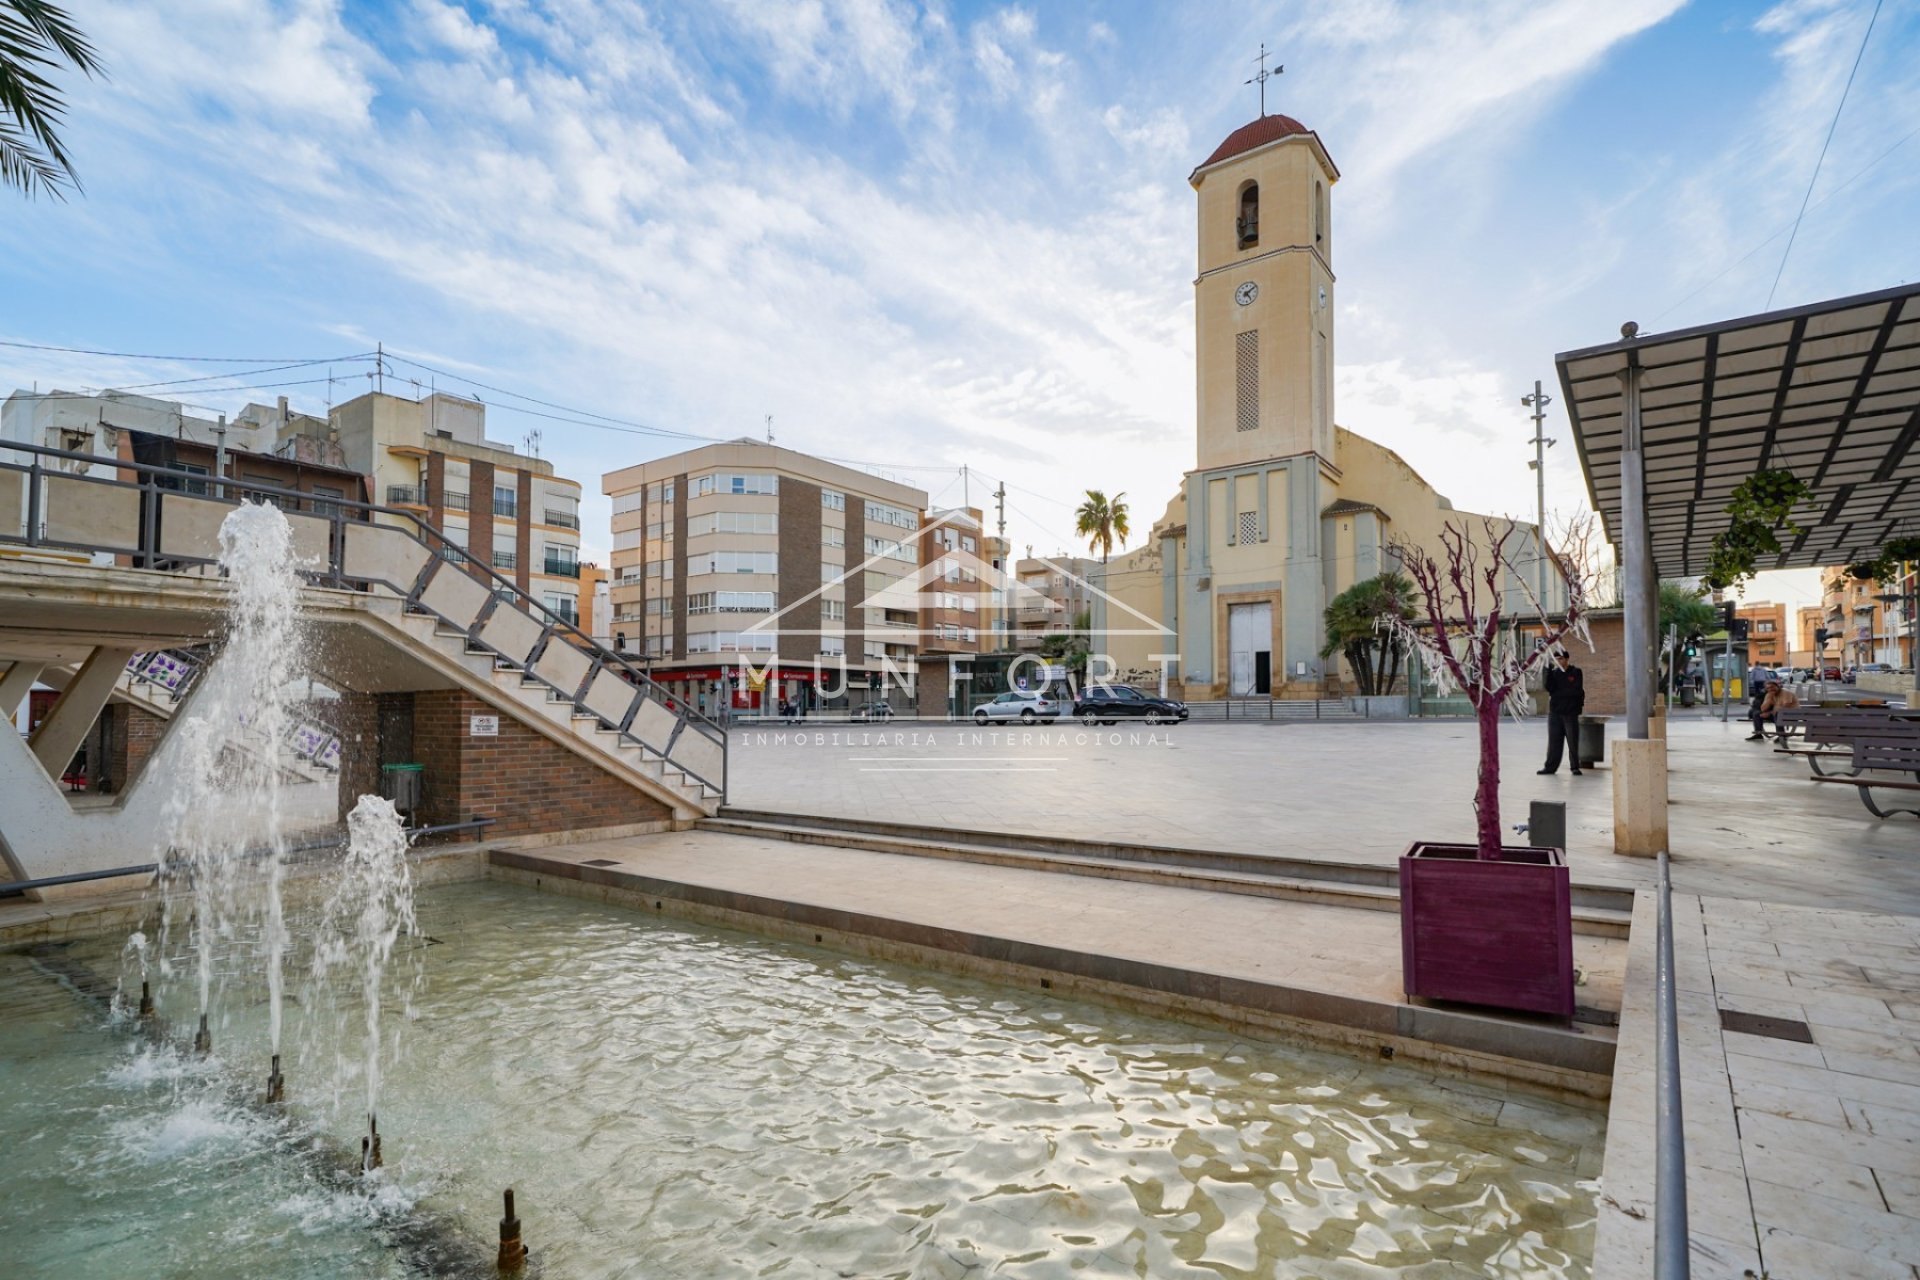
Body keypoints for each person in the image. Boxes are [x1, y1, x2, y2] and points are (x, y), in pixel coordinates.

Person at [1538, 649, 1586, 777]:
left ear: (1567, 659)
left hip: (1570, 713)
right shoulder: (1554, 673)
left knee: (1572, 742)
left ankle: (1575, 767)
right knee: (1554, 742)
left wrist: (1559, 693)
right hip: (1555, 713)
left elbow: (1576, 691)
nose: (1558, 661)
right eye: (1556, 659)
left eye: (1560, 659)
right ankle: (1550, 768)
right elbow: (1549, 688)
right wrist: (1547, 670)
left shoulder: (1576, 672)